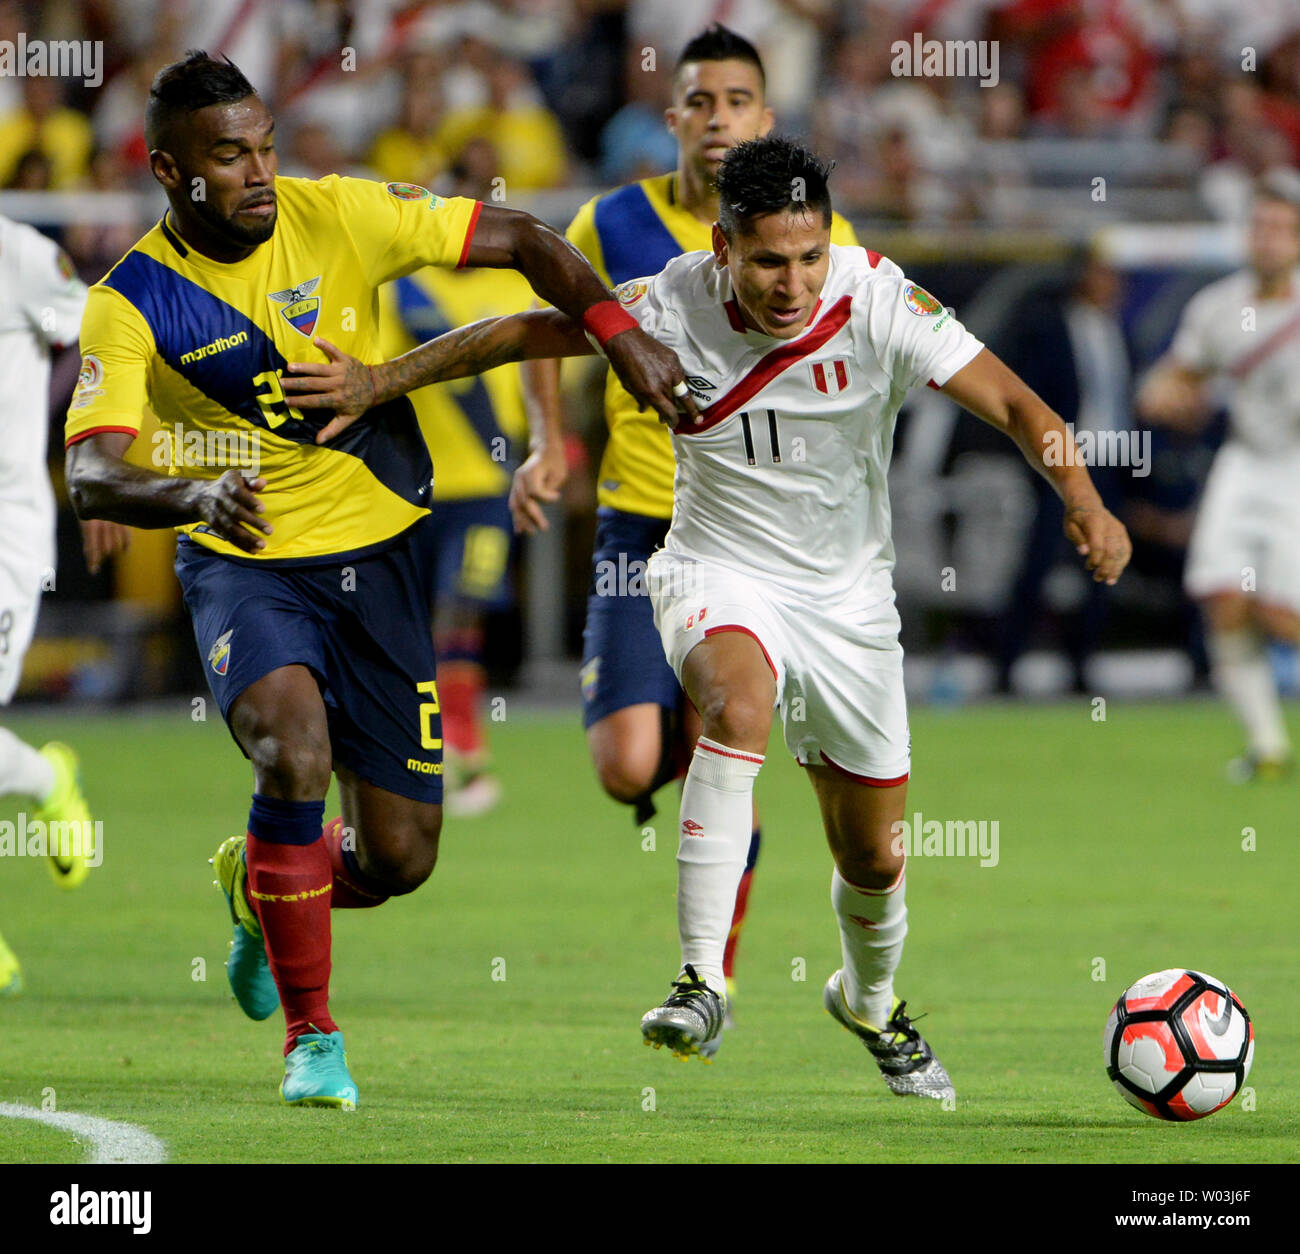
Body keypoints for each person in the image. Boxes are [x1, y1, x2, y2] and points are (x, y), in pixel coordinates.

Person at [282, 136, 1132, 1097]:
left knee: (875, 857)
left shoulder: (879, 297)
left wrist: (1087, 502)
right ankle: (701, 979)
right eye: (769, 259)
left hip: (850, 604)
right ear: (723, 245)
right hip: (714, 569)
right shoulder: (672, 302)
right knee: (736, 704)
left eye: (808, 256)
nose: (793, 281)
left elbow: (1020, 406)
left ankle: (868, 996)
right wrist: (378, 379)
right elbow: (525, 331)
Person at [63, 51, 695, 1107]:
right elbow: (91, 472)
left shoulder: (342, 213)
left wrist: (617, 335)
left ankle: (259, 892)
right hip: (243, 563)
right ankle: (314, 1040)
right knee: (292, 754)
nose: (260, 172)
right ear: (170, 172)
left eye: (265, 147)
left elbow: (529, 241)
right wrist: (191, 499)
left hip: (377, 556)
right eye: (230, 156)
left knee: (401, 857)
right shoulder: (130, 302)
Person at [514, 24, 860, 1035]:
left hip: (748, 539)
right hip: (640, 525)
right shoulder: (611, 221)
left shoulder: (795, 240)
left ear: (766, 118)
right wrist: (546, 441)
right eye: (699, 103)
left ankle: (716, 971)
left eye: (737, 103)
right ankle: (687, 760)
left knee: (728, 733)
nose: (718, 121)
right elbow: (551, 325)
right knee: (627, 763)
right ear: (669, 121)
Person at [378, 146, 533, 816]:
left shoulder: (520, 288)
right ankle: (415, 754)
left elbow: (547, 384)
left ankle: (464, 752)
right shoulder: (400, 287)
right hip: (408, 486)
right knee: (408, 625)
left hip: (482, 491)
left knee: (459, 616)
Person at [1138, 171, 1300, 780]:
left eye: (1284, 229)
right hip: (1244, 461)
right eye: (1262, 226)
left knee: (1284, 617)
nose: (1270, 239)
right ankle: (1268, 748)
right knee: (1223, 598)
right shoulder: (1218, 306)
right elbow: (1172, 379)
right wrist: (1164, 396)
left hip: (1296, 469)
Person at [0, 211, 103, 996]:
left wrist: (96, 453)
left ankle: (45, 781)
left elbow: (101, 338)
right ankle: (42, 778)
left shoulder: (25, 258)